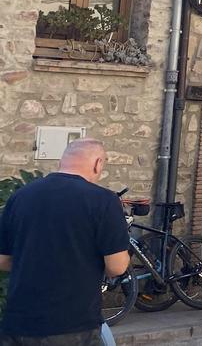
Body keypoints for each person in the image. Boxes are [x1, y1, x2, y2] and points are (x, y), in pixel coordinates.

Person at [0, 139, 129, 345]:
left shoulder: (20, 196)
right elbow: (117, 266)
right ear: (98, 164)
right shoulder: (103, 200)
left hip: (18, 324)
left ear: (63, 161)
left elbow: (3, 260)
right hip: (72, 325)